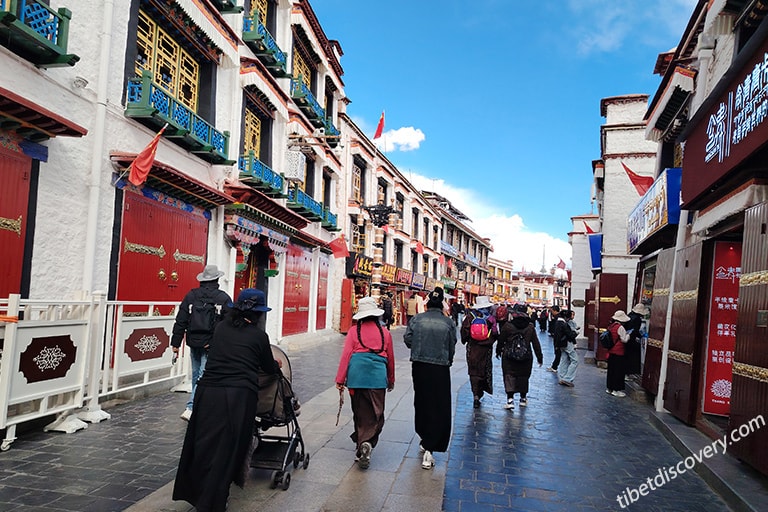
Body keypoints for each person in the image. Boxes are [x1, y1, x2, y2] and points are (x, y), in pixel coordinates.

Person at [173, 288, 282, 512]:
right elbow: (269, 367)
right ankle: (214, 501)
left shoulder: (221, 328)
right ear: (259, 315)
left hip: (207, 393)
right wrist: (277, 365)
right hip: (238, 396)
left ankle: (197, 493)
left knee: (203, 445)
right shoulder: (259, 337)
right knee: (228, 449)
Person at [335, 296, 396, 470]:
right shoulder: (385, 333)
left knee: (360, 412)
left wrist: (340, 379)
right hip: (377, 379)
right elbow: (390, 359)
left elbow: (346, 356)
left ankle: (361, 445)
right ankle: (367, 442)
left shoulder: (354, 331)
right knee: (377, 414)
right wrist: (391, 380)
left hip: (356, 377)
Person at [403, 287, 457, 470]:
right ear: (442, 303)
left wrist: (419, 346)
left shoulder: (417, 319)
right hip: (440, 367)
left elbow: (408, 339)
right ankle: (431, 447)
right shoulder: (448, 323)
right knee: (439, 405)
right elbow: (452, 345)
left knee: (422, 402)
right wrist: (447, 359)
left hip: (419, 365)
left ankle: (424, 437)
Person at [171, 264, 232, 421]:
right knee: (203, 375)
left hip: (194, 341)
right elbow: (228, 324)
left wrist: (175, 343)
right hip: (210, 344)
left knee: (196, 374)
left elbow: (181, 319)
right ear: (217, 279)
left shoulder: (191, 296)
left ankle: (196, 406)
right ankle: (192, 407)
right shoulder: (222, 298)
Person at [496, 303, 543, 409]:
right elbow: (535, 343)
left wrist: (498, 351)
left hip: (509, 356)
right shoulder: (530, 327)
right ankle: (523, 398)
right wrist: (539, 357)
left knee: (509, 376)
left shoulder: (508, 326)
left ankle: (510, 399)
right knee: (523, 376)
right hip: (525, 356)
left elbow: (501, 340)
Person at [460, 296, 497, 408]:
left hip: (473, 348)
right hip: (485, 349)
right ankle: (480, 393)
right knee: (483, 370)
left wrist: (466, 340)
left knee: (473, 371)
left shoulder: (470, 317)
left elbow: (464, 332)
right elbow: (495, 333)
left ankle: (475, 395)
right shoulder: (490, 318)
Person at [605, 310, 632, 397]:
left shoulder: (611, 326)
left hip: (611, 351)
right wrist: (628, 335)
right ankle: (616, 389)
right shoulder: (620, 328)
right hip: (618, 352)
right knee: (618, 371)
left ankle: (610, 388)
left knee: (611, 371)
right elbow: (624, 339)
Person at [556, 309, 579, 387]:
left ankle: (562, 377)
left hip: (561, 344)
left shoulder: (558, 322)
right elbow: (570, 335)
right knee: (575, 360)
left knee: (564, 359)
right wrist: (576, 332)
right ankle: (568, 378)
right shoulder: (564, 324)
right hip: (567, 343)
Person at [625, 303, 648, 379]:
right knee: (633, 356)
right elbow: (635, 331)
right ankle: (630, 372)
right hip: (631, 340)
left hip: (626, 339)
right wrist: (641, 336)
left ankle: (626, 373)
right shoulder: (637, 319)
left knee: (627, 357)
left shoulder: (629, 315)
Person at [546, 305, 561, 373]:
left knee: (558, 353)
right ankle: (554, 366)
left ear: (555, 311)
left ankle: (555, 367)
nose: (551, 312)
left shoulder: (558, 318)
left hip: (558, 338)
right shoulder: (557, 317)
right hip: (557, 337)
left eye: (552, 311)